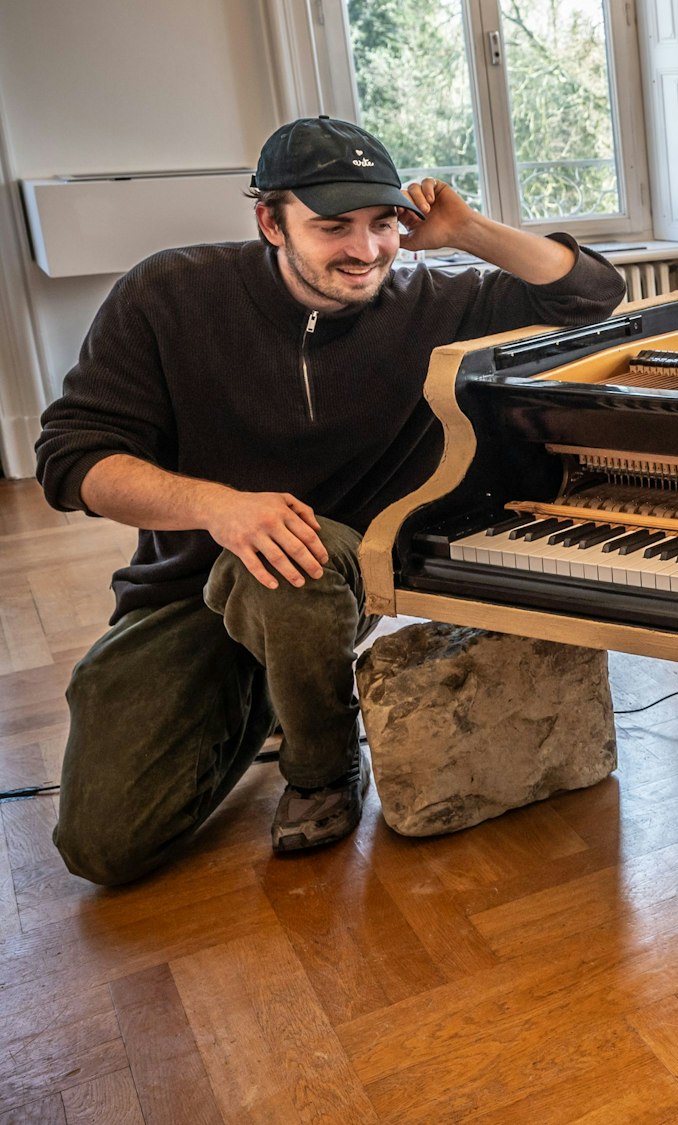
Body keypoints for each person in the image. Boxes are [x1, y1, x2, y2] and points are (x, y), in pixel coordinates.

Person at [35, 116, 626, 883]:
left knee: (290, 563)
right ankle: (274, 692)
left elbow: (591, 295)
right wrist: (220, 507)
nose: (365, 249)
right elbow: (71, 457)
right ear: (269, 222)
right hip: (185, 588)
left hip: (335, 570)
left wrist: (465, 227)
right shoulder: (167, 295)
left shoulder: (432, 302)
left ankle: (320, 770)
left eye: (383, 223)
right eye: (333, 226)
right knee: (103, 846)